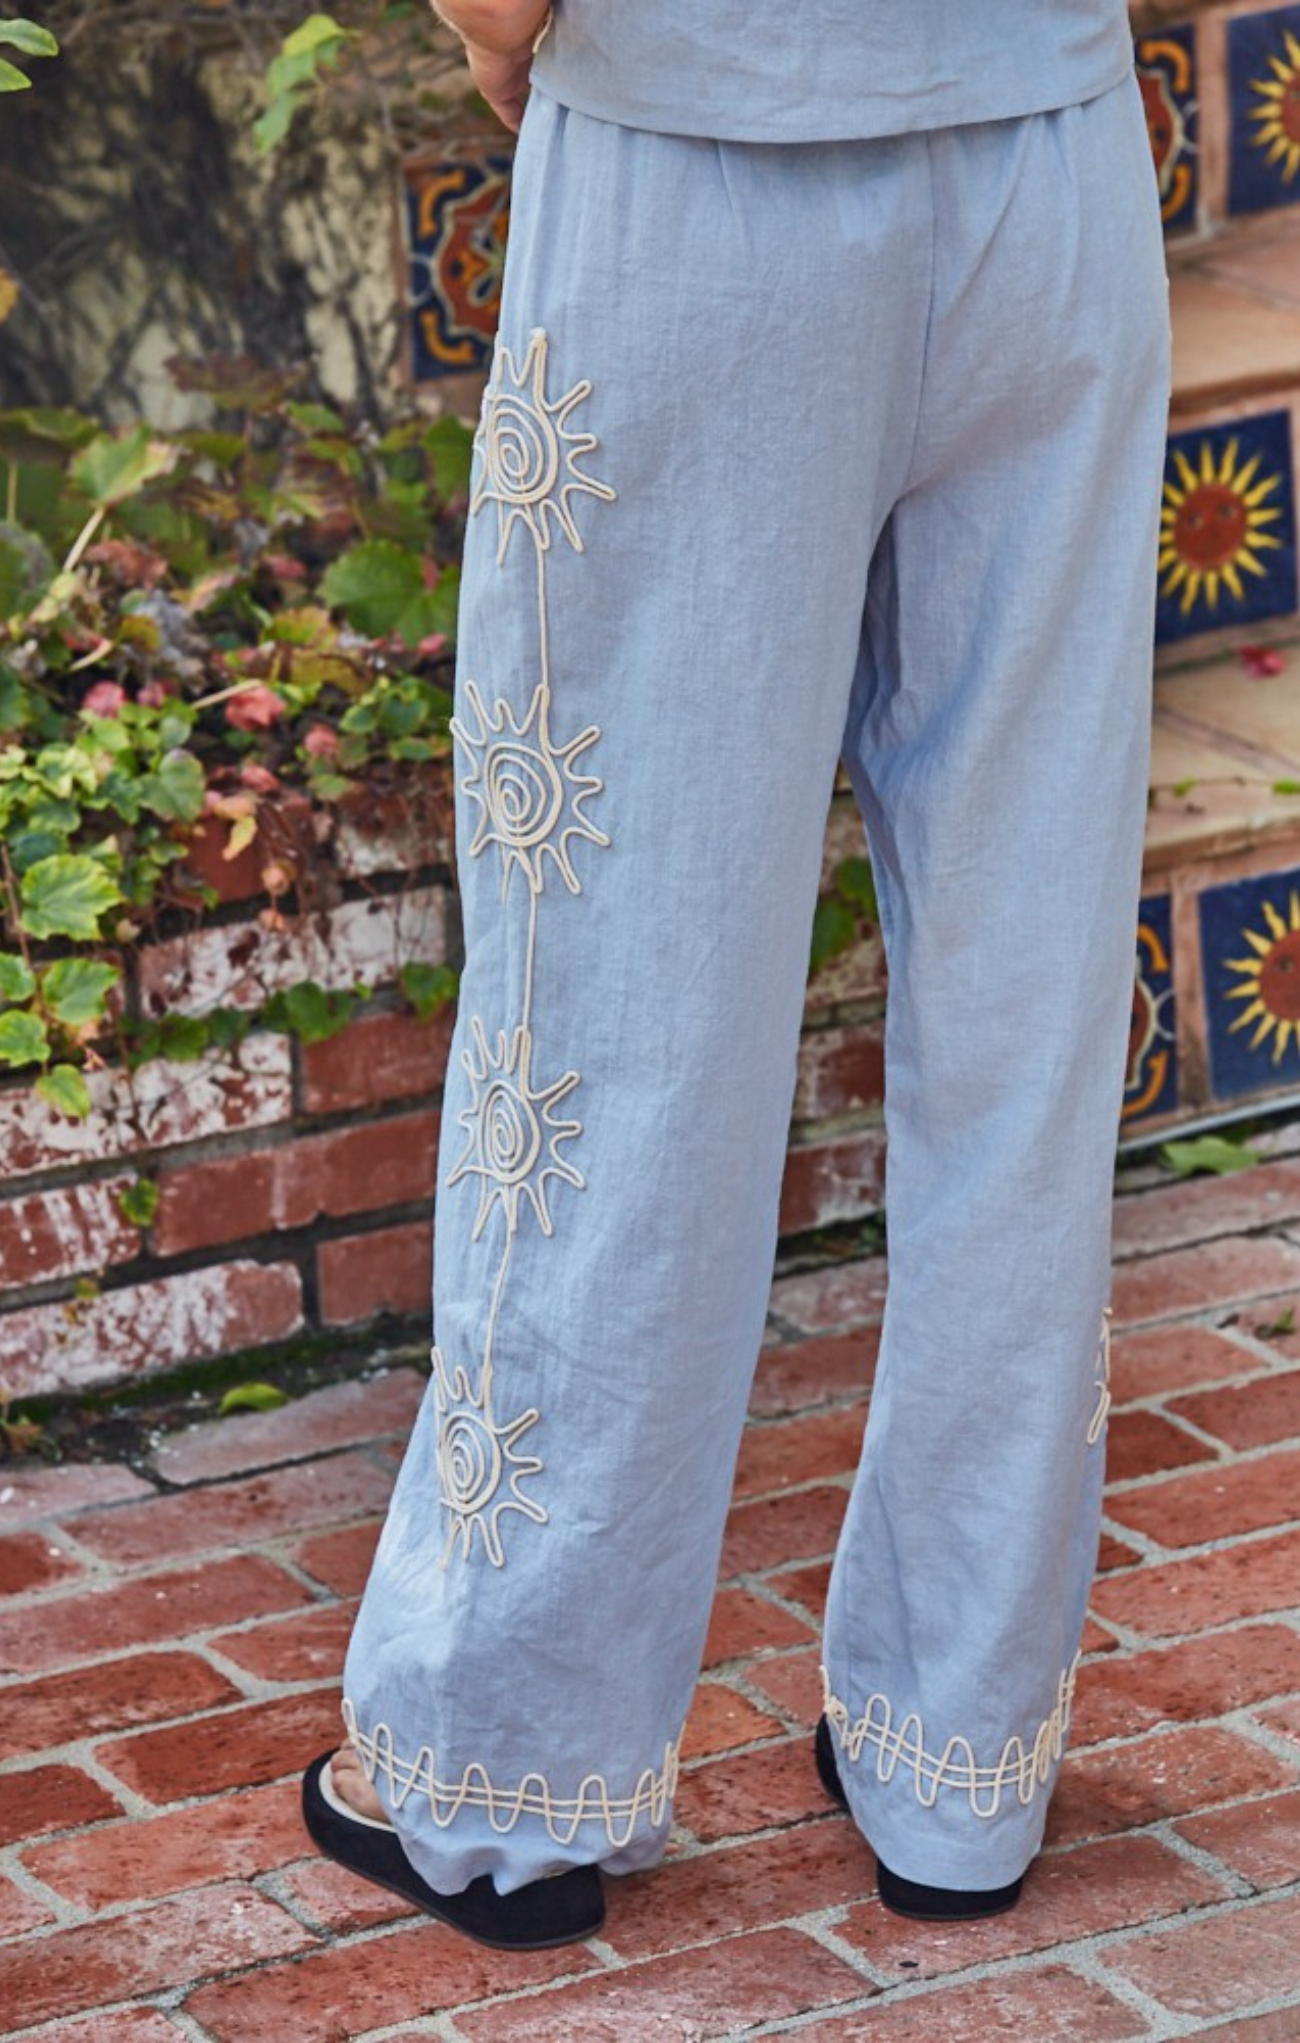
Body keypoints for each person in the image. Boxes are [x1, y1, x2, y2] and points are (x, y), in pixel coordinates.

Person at [302, 0, 1172, 1948]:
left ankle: (502, 1770)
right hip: (1046, 164)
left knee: (624, 997)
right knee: (1018, 1013)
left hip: (701, 158)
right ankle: (960, 1764)